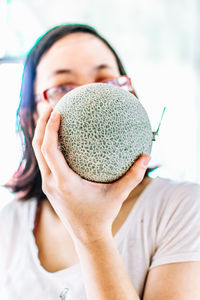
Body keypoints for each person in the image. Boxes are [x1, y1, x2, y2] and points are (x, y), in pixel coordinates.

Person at [0, 23, 200, 300]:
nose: (92, 98)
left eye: (106, 81)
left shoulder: (185, 208)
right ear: (32, 117)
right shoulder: (7, 226)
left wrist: (92, 235)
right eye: (62, 87)